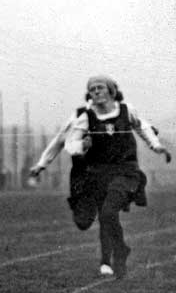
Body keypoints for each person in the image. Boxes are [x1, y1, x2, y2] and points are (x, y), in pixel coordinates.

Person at [62, 75, 170, 279]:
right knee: (105, 215)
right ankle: (119, 250)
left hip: (126, 172)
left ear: (111, 90)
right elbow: (70, 144)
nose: (96, 91)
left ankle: (116, 253)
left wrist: (156, 146)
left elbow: (143, 127)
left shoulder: (127, 110)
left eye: (100, 87)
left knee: (109, 212)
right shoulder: (87, 117)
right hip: (101, 174)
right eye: (92, 89)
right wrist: (81, 146)